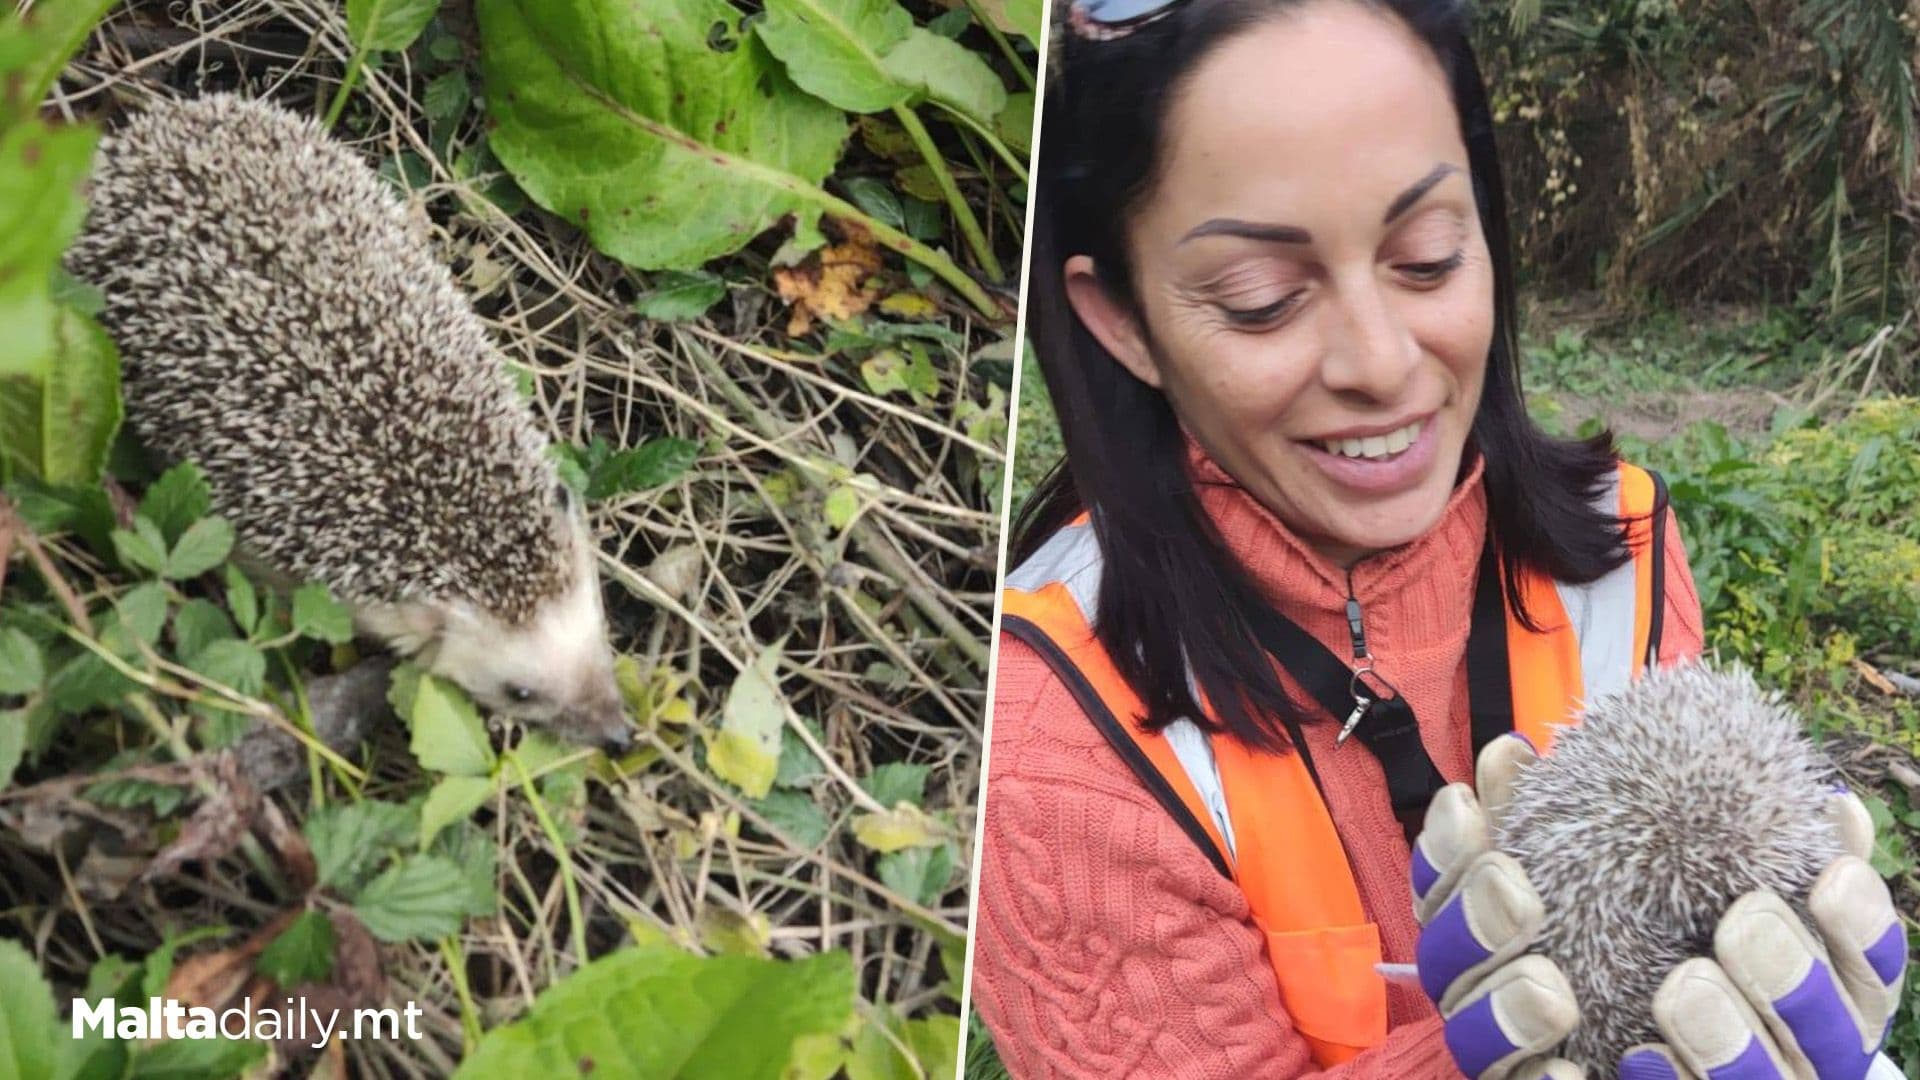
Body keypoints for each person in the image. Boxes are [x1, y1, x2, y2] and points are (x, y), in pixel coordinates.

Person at [970, 0, 1909, 1076]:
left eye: (1427, 257)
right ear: (1124, 319)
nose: (1379, 361)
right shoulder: (1042, 741)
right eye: (1263, 299)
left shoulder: (1625, 546)